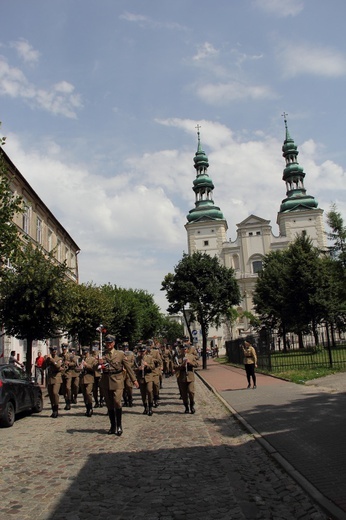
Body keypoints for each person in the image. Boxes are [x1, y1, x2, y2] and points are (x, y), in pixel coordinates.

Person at [99, 335, 139, 436]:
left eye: (110, 342)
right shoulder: (102, 354)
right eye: (107, 342)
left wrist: (134, 380)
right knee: (109, 404)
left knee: (117, 401)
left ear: (113, 343)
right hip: (106, 381)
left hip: (117, 380)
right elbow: (97, 368)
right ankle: (113, 426)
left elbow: (128, 368)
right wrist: (99, 363)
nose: (108, 344)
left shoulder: (120, 354)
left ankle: (119, 425)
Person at [174, 343, 199, 414]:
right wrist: (182, 365)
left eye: (185, 349)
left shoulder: (191, 356)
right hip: (182, 377)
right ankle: (186, 407)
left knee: (191, 391)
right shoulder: (177, 358)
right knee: (184, 394)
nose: (184, 350)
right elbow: (175, 366)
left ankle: (192, 405)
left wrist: (190, 362)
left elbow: (196, 364)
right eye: (182, 349)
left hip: (190, 376)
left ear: (187, 350)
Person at [42, 346, 64, 418]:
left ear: (56, 351)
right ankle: (53, 410)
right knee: (51, 395)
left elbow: (58, 366)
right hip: (50, 378)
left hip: (57, 378)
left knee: (55, 393)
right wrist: (45, 360)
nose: (53, 351)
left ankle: (56, 410)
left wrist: (51, 360)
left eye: (54, 350)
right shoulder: (48, 359)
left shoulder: (59, 358)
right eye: (52, 350)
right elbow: (43, 367)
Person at [134, 345, 155, 416]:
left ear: (145, 351)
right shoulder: (136, 359)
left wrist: (147, 365)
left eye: (143, 351)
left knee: (149, 391)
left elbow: (153, 367)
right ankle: (145, 407)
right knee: (143, 394)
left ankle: (150, 407)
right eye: (141, 351)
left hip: (148, 377)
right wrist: (138, 369)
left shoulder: (149, 357)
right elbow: (133, 368)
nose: (142, 352)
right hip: (141, 378)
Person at [79, 347, 97, 417]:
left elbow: (94, 368)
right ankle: (87, 408)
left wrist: (87, 365)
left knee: (88, 393)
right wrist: (79, 368)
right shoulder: (80, 359)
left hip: (89, 378)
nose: (84, 354)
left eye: (85, 352)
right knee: (84, 395)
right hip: (82, 379)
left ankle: (90, 408)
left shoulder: (92, 359)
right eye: (83, 352)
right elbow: (77, 368)